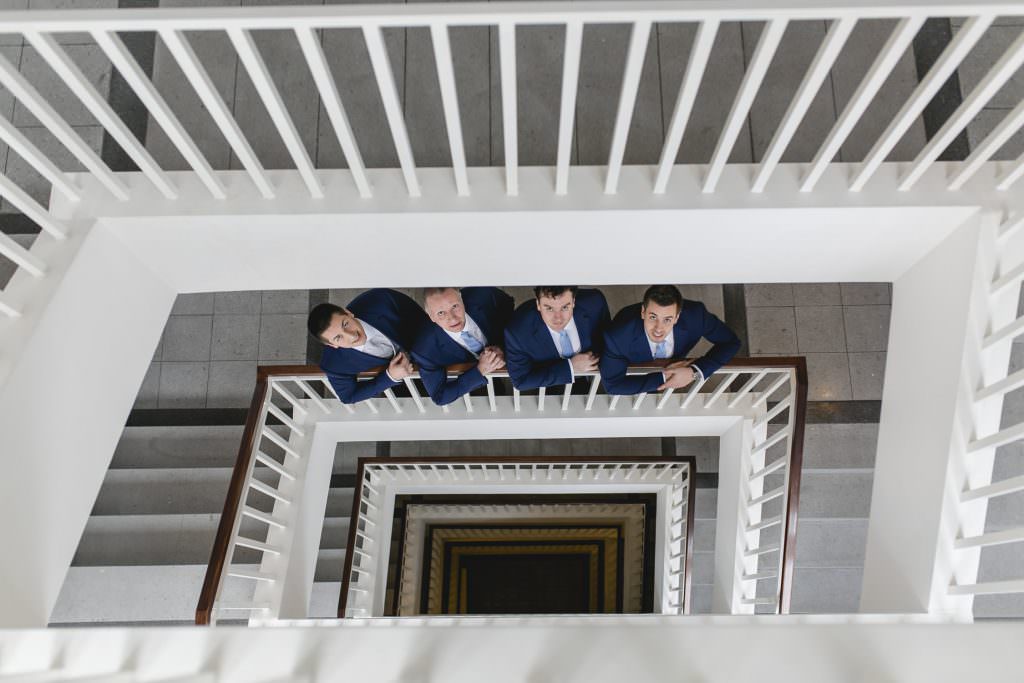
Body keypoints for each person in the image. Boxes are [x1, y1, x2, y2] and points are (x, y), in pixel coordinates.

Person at [600, 284, 740, 395]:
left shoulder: (696, 316)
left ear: (677, 317)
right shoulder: (617, 336)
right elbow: (613, 385)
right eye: (653, 317)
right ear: (643, 312)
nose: (658, 328)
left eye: (667, 319)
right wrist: (665, 378)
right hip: (639, 375)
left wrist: (694, 371)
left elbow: (731, 342)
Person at [307, 288, 429, 404]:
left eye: (345, 324)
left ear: (348, 313)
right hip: (403, 385)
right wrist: (390, 377)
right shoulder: (334, 364)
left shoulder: (380, 299)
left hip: (428, 351)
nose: (352, 336)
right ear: (331, 344)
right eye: (338, 338)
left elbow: (421, 319)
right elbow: (348, 396)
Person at [411, 287, 514, 406]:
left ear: (461, 299)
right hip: (474, 385)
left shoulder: (483, 294)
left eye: (455, 306)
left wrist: (503, 346)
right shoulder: (424, 350)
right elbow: (440, 396)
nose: (452, 318)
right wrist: (480, 370)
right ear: (431, 317)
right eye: (441, 313)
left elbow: (508, 304)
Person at [504, 285, 610, 390]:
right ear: (538, 304)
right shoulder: (517, 332)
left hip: (590, 375)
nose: (558, 318)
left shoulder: (595, 302)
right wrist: (571, 367)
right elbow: (521, 380)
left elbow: (608, 341)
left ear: (573, 301)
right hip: (547, 383)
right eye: (549, 308)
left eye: (565, 307)